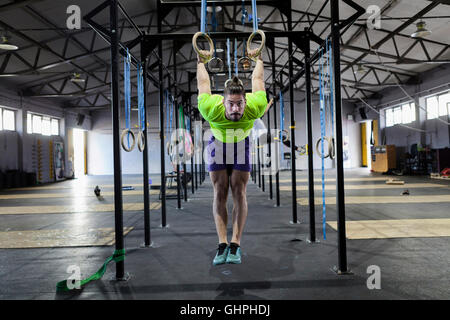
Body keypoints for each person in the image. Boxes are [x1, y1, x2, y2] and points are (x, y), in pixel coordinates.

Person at [196, 45, 271, 265]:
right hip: (217, 145)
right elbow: (203, 83)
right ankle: (222, 244)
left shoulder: (256, 106)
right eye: (231, 104)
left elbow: (258, 80)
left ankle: (236, 244)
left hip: (241, 145)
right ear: (223, 103)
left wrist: (258, 58)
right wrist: (200, 61)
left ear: (246, 102)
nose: (236, 109)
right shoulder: (210, 107)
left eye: (240, 104)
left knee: (239, 192)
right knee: (220, 192)